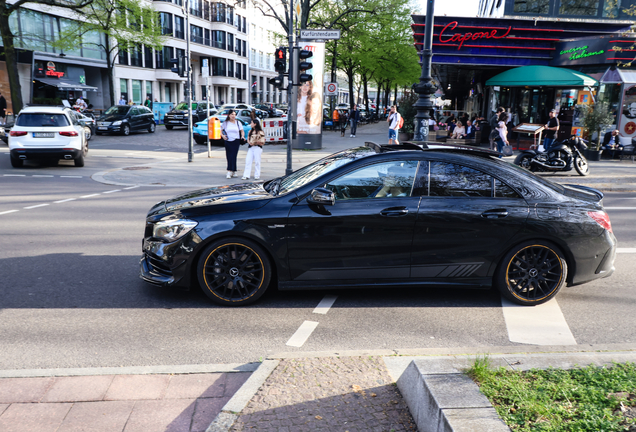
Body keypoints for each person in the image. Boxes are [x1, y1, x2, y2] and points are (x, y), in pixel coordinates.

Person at [220, 110, 245, 179]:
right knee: (229, 156)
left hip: (236, 140)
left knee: (234, 155)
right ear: (229, 115)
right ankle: (230, 171)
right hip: (228, 141)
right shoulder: (225, 123)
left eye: (234, 114)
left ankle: (233, 170)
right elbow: (221, 131)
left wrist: (242, 136)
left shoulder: (238, 122)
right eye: (232, 114)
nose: (233, 116)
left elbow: (242, 131)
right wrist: (223, 136)